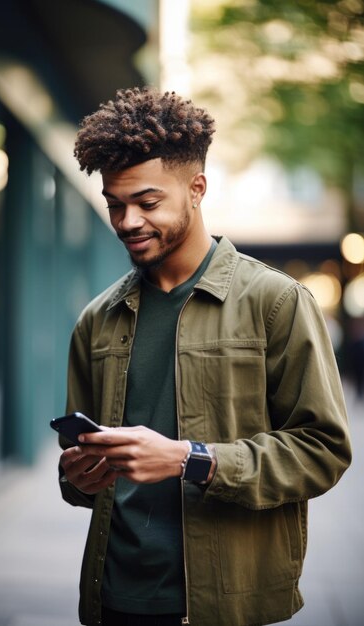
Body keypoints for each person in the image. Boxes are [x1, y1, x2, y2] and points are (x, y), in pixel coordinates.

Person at [58, 86, 352, 626]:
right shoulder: (97, 320)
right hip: (113, 596)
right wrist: (78, 476)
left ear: (197, 189)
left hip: (226, 602)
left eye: (147, 203)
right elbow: (79, 479)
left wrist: (192, 460)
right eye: (115, 205)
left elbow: (322, 451)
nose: (127, 222)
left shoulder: (276, 302)